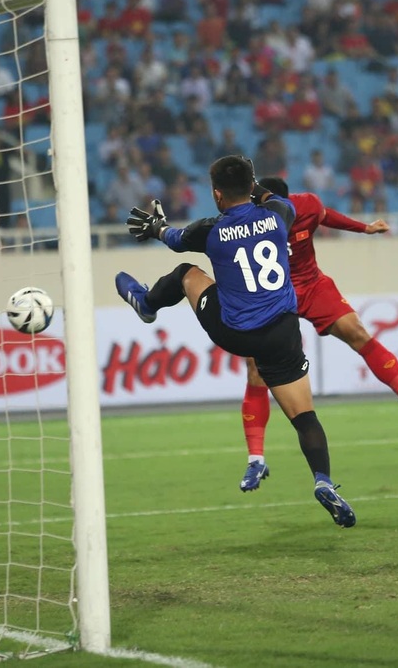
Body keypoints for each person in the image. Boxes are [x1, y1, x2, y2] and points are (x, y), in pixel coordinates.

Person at [114, 155, 356, 528]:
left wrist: (156, 228)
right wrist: (253, 183)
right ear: (253, 187)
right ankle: (323, 481)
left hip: (236, 331)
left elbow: (176, 241)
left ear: (216, 194)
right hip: (282, 333)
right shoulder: (279, 213)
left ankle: (147, 305)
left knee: (186, 273)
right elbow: (268, 200)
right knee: (305, 417)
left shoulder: (210, 229)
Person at [238, 177, 398, 493]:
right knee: (255, 370)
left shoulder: (307, 205)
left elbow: (327, 216)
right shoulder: (245, 220)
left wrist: (365, 228)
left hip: (311, 285)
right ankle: (256, 458)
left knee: (357, 333)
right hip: (270, 298)